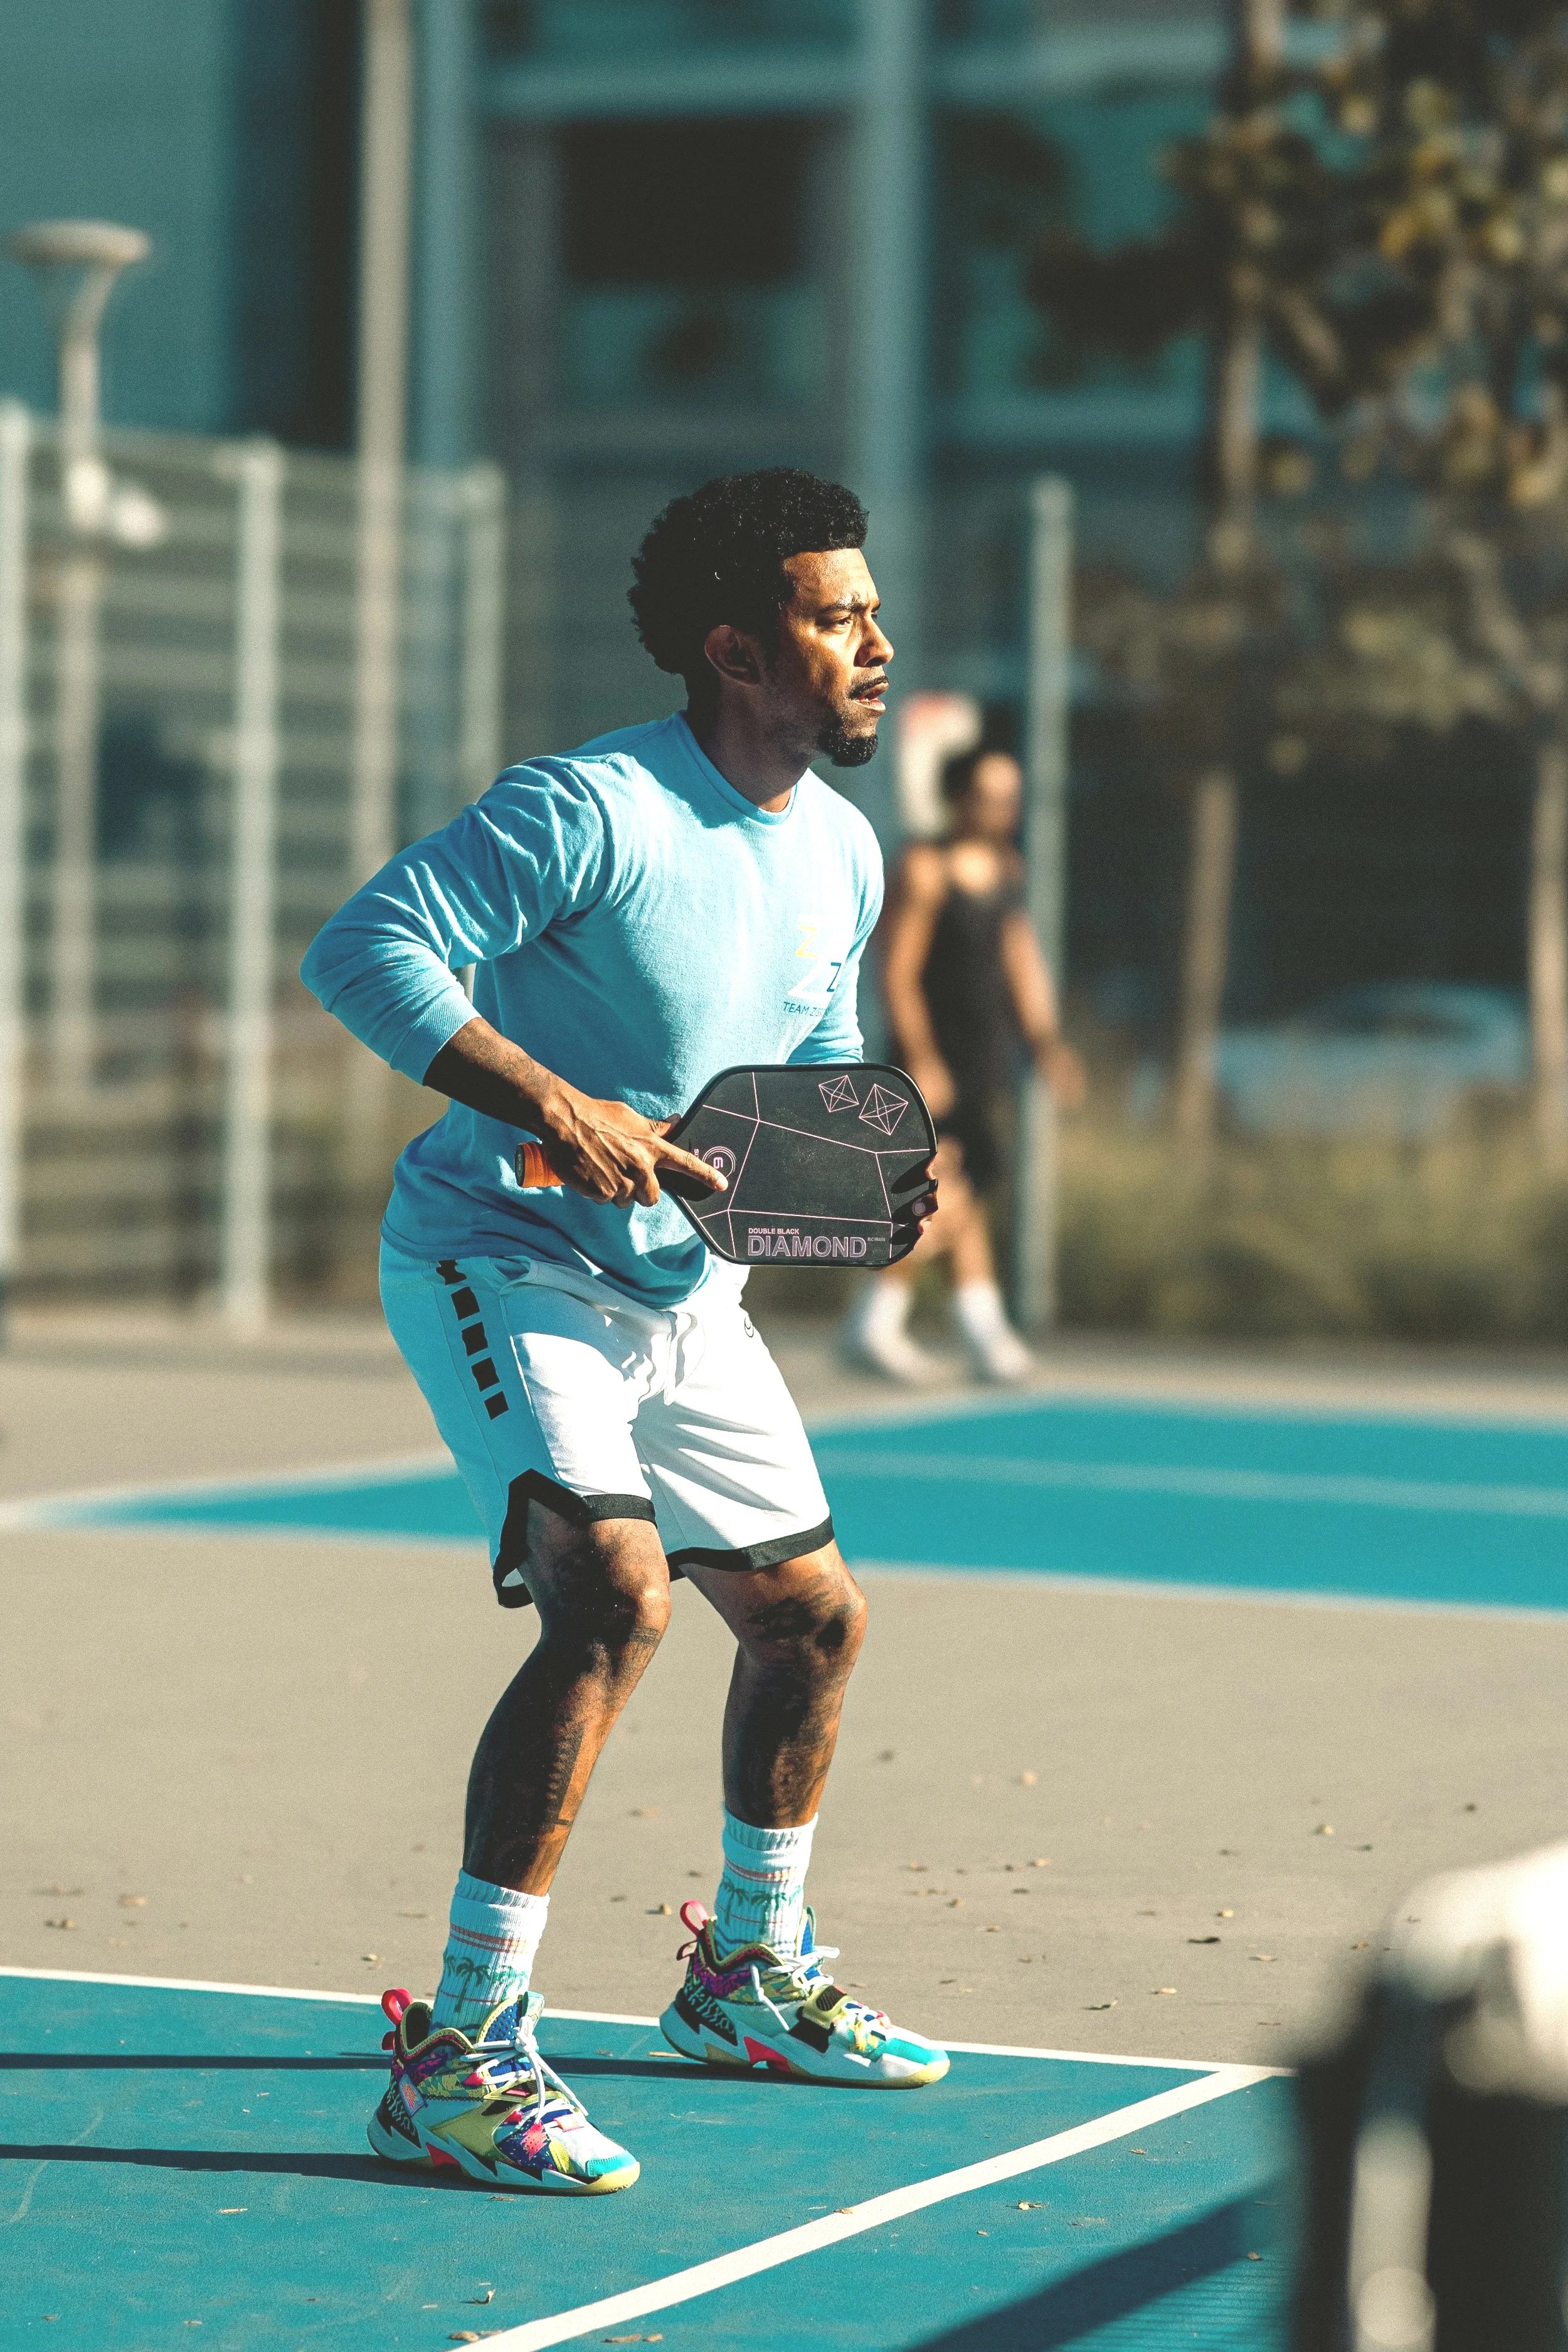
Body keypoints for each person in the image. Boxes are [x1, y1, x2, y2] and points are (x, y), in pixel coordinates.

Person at [299, 470, 949, 2200]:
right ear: (738, 651)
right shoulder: (586, 807)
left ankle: (746, 1973)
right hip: (503, 1257)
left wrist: (850, 1182)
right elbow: (365, 944)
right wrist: (546, 1099)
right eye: (838, 617)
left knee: (809, 1620)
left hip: (683, 1292)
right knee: (614, 1591)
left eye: (872, 611)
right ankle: (458, 2053)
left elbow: (778, 1102)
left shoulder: (842, 844)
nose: (877, 644)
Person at [841, 743, 1084, 1387]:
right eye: (992, 795)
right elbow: (897, 973)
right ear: (957, 798)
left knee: (964, 1191)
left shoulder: (1006, 868)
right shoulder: (924, 868)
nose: (1007, 808)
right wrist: (920, 1059)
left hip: (982, 1063)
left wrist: (1047, 1044)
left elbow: (1021, 962)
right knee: (940, 1191)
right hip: (931, 1065)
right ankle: (876, 1320)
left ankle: (981, 1336)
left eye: (1013, 795)